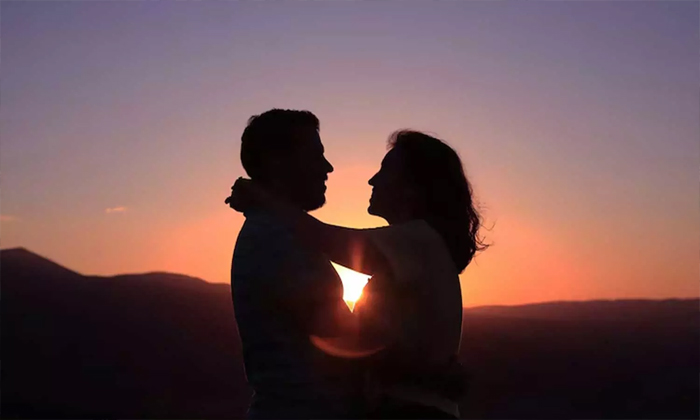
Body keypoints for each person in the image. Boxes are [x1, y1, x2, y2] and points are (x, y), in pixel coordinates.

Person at [227, 130, 488, 419]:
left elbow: (327, 239)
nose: (372, 180)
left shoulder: (419, 240)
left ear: (413, 188)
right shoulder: (411, 249)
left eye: (385, 171)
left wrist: (265, 201)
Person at [229, 109, 364, 419]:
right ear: (277, 163)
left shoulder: (283, 232)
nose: (327, 167)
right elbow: (341, 335)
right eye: (315, 155)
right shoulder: (274, 237)